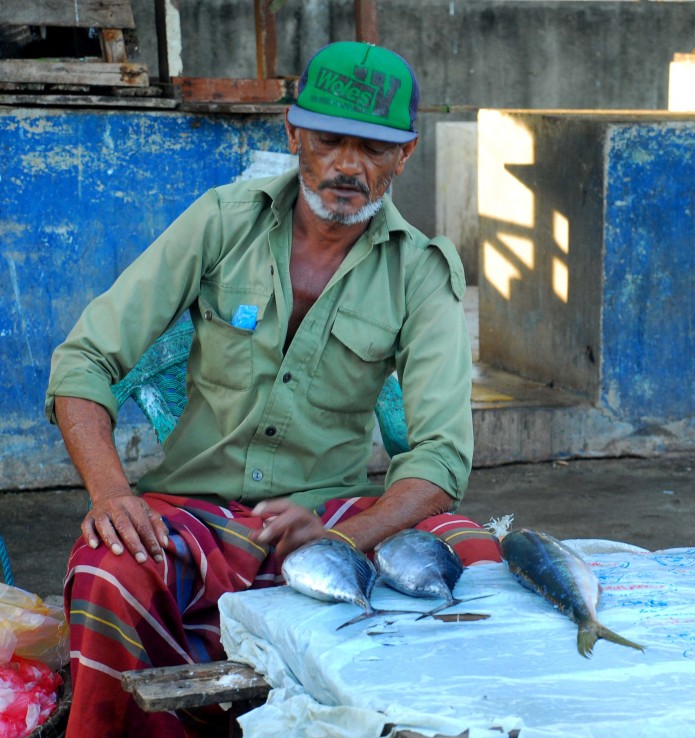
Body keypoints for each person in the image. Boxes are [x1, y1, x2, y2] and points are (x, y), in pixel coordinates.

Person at [45, 41, 502, 738]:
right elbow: (84, 362)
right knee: (112, 567)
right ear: (293, 134)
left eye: (375, 149)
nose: (349, 166)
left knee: (475, 554)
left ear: (405, 155)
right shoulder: (223, 220)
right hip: (197, 510)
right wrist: (111, 494)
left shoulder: (421, 271)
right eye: (329, 140)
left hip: (328, 514)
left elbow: (440, 456)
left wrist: (341, 540)